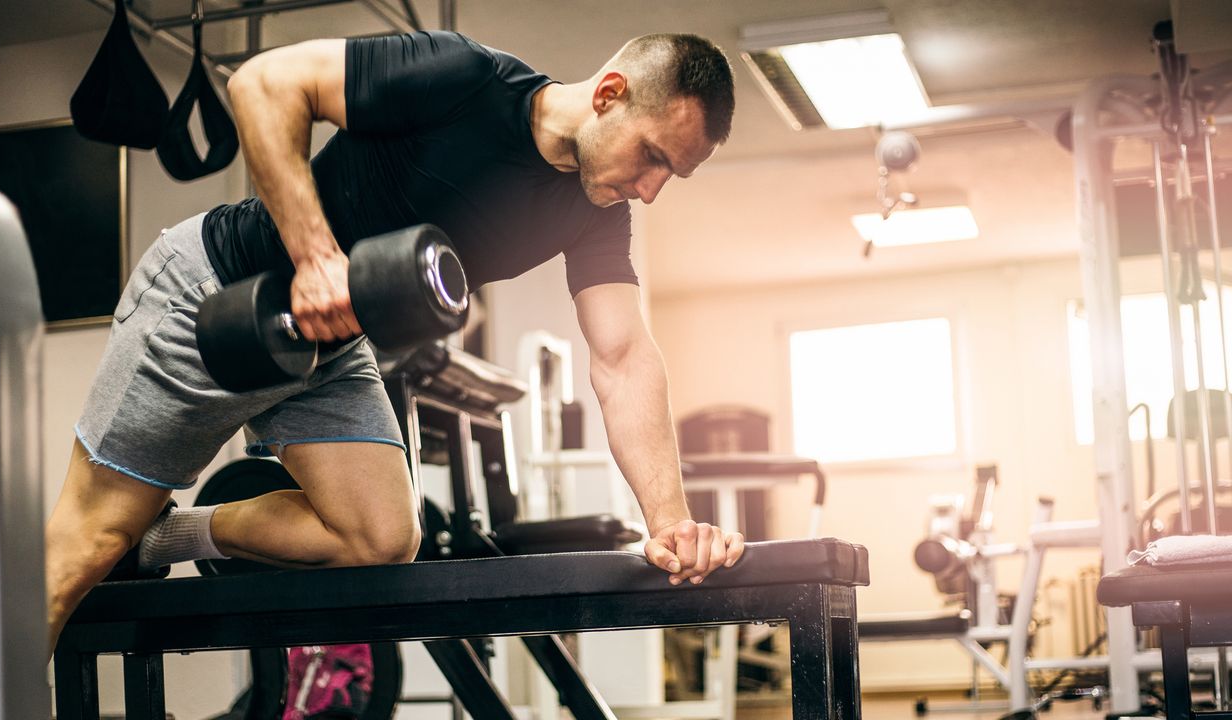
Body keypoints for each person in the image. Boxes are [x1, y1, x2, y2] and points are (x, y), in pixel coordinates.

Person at [45, 29, 744, 653]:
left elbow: (622, 359)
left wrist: (671, 521)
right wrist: (317, 257)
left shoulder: (596, 215)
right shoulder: (463, 77)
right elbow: (261, 83)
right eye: (651, 155)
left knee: (379, 538)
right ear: (610, 94)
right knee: (88, 544)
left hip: (326, 347)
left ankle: (166, 537)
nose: (650, 190)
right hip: (217, 289)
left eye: (669, 175)